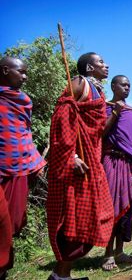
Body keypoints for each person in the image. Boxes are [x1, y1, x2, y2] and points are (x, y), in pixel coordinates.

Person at [46, 52, 114, 280]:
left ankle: (62, 274)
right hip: (76, 162)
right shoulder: (78, 83)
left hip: (92, 160)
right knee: (73, 219)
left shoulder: (100, 92)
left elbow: (97, 130)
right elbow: (61, 118)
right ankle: (61, 275)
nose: (106, 65)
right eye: (101, 62)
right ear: (88, 68)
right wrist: (71, 156)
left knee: (95, 214)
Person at [0, 56, 46, 278]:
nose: (25, 77)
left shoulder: (22, 101)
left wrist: (35, 160)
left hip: (18, 166)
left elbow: (23, 133)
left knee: (15, 221)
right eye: (22, 72)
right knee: (2, 224)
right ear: (6, 70)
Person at [101, 75, 132, 271]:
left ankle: (120, 251)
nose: (127, 87)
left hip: (129, 165)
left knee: (127, 207)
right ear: (113, 86)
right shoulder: (105, 107)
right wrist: (115, 114)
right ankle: (107, 255)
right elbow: (100, 133)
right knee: (112, 206)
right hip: (112, 162)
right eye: (123, 84)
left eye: (129, 85)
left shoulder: (131, 111)